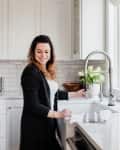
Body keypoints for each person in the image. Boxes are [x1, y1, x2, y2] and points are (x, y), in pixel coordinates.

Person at [19, 35, 85, 150]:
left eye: (46, 52)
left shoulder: (45, 70)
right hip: (35, 128)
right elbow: (32, 105)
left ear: (51, 53)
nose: (43, 55)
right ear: (33, 52)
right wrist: (58, 114)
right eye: (39, 51)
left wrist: (76, 94)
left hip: (46, 124)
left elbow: (52, 93)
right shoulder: (31, 72)